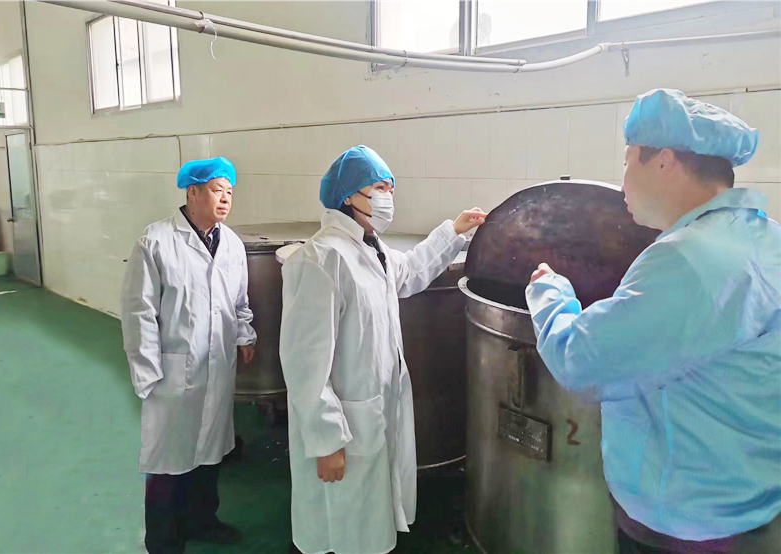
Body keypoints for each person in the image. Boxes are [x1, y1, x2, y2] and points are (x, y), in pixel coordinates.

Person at [526, 89, 780, 553]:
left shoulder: (688, 260)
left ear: (663, 161)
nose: (622, 181)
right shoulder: (763, 237)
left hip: (686, 516)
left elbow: (580, 360)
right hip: (748, 494)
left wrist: (549, 290)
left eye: (627, 162)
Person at [280, 145, 486, 554]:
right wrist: (326, 441)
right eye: (378, 188)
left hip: (373, 410)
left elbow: (409, 271)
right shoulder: (321, 258)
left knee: (367, 522)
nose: (387, 197)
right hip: (343, 423)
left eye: (390, 188)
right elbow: (305, 363)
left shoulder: (371, 248)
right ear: (349, 195)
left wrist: (453, 231)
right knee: (341, 525)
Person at [121, 157, 257, 554]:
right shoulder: (156, 241)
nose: (225, 198)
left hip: (216, 367)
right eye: (217, 190)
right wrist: (148, 373)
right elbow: (139, 311)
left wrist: (245, 335)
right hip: (172, 371)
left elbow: (239, 300)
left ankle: (202, 521)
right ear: (192, 192)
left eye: (229, 191)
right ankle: (163, 539)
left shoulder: (231, 244)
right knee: (168, 460)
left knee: (210, 451)